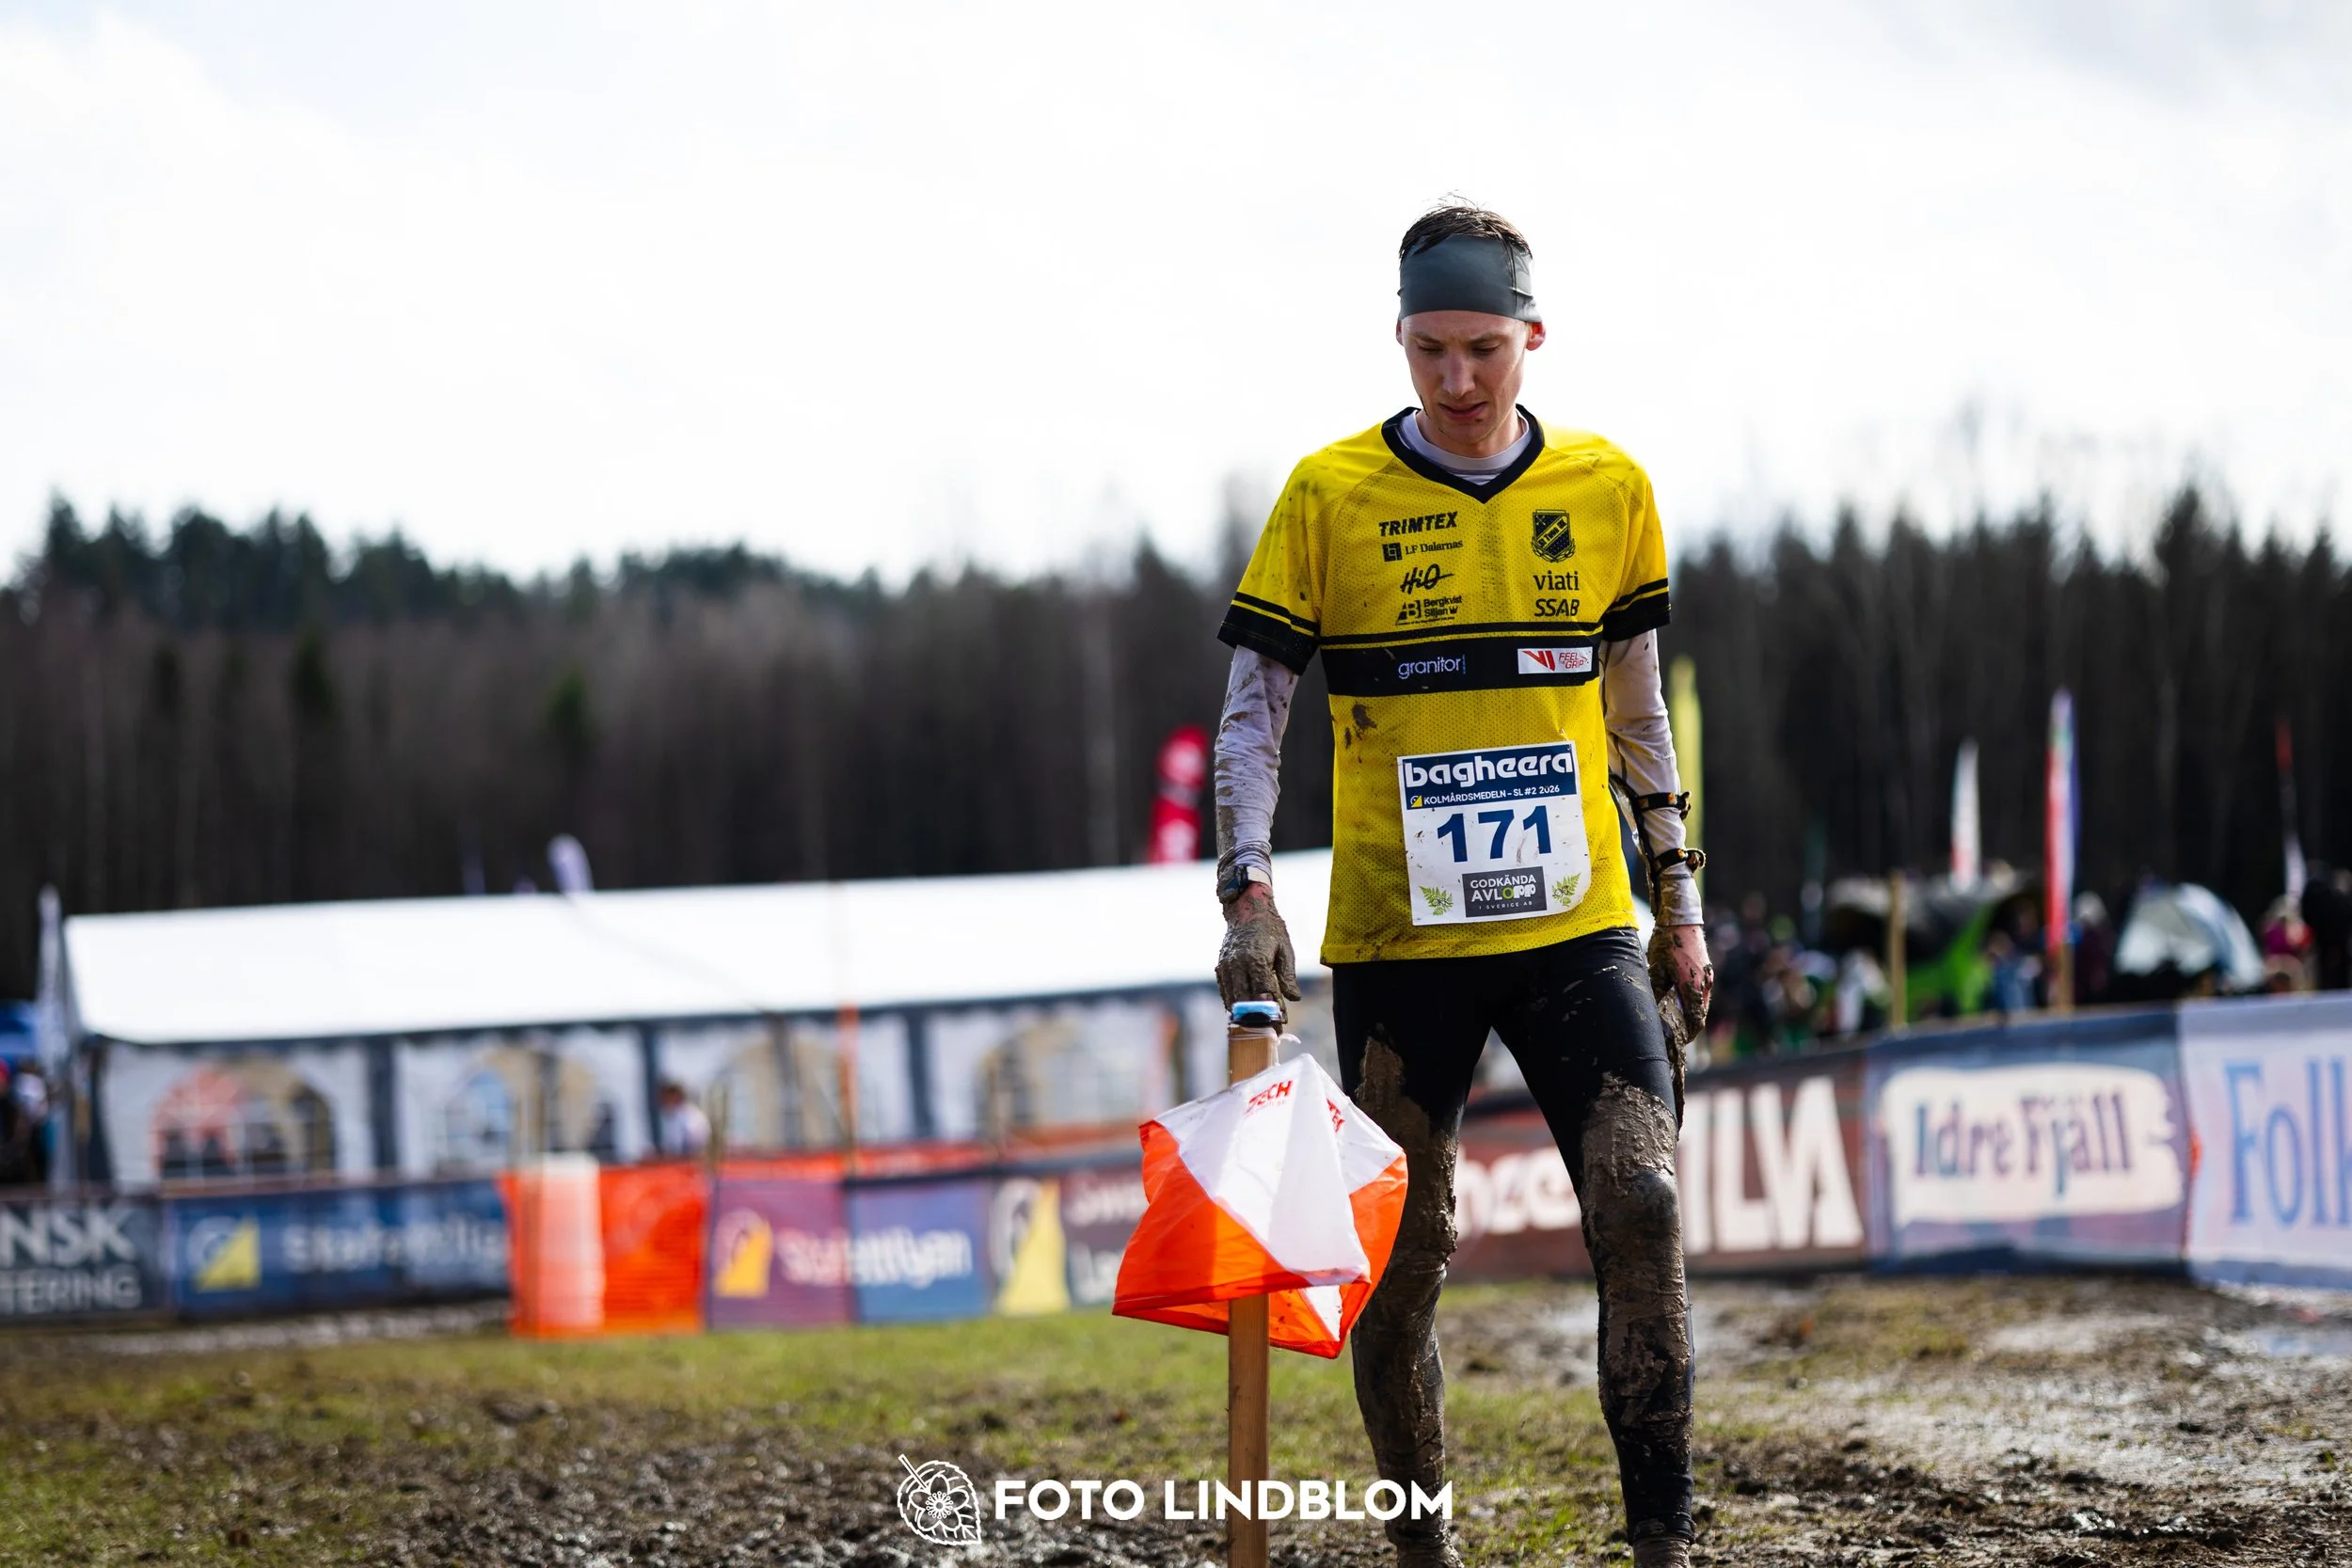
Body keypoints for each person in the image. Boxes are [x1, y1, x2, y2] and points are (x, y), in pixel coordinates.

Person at [1210, 203, 1712, 1568]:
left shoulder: (1608, 489)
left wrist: (1681, 905)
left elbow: (1639, 715)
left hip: (1576, 927)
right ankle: (1421, 1541)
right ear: (1400, 340)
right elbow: (1253, 710)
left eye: (1485, 347)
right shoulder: (1329, 497)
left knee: (1642, 1198)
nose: (1458, 378)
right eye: (1430, 349)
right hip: (1400, 941)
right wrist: (1245, 889)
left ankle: (1663, 1539)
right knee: (1407, 1256)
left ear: (1533, 337)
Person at [657, 1081, 710, 1158]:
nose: (663, 1101)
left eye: (667, 1097)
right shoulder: (676, 1115)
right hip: (688, 1157)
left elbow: (684, 1145)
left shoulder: (689, 1116)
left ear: (675, 1096)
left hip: (690, 1159)